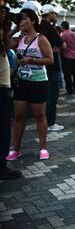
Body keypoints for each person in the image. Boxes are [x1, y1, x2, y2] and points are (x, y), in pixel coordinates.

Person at [6, 9, 54, 161]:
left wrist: (31, 60)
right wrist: (13, 28)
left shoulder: (41, 39)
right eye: (19, 19)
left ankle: (43, 148)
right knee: (19, 116)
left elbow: (50, 59)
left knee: (40, 115)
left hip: (39, 81)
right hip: (21, 81)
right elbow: (5, 45)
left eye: (24, 19)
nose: (21, 22)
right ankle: (16, 149)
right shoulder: (19, 38)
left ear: (33, 21)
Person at [0, 5, 21, 179]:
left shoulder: (3, 28)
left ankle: (2, 165)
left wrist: (7, 29)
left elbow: (6, 49)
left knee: (5, 125)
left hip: (4, 83)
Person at [39, 4, 66, 131]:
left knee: (43, 95)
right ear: (50, 14)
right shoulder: (50, 29)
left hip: (41, 66)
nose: (56, 16)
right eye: (54, 13)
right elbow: (63, 45)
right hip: (52, 66)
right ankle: (50, 122)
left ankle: (43, 120)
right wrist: (55, 48)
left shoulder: (38, 27)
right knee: (52, 95)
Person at [60, 21, 75, 95]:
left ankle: (69, 89)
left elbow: (62, 47)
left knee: (67, 74)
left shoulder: (63, 35)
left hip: (66, 57)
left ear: (63, 27)